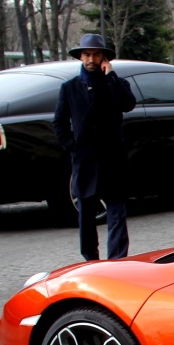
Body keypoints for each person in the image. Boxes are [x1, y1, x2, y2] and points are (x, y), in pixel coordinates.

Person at [53, 33, 136, 261]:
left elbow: (128, 104)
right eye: (87, 54)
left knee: (117, 213)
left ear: (104, 58)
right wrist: (73, 147)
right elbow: (59, 122)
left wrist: (111, 77)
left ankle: (117, 261)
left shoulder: (116, 84)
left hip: (112, 160)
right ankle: (91, 260)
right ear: (81, 56)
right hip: (85, 160)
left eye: (96, 54)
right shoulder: (69, 88)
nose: (91, 59)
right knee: (86, 215)